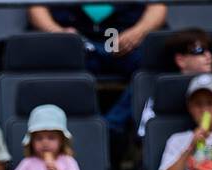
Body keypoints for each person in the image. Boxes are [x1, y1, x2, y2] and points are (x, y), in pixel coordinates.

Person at [28, 3, 167, 130]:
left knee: (157, 63)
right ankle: (79, 131)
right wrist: (58, 32)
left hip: (125, 36)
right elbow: (36, 6)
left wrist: (138, 32)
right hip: (75, 37)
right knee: (51, 62)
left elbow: (158, 6)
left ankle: (110, 128)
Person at [137, 27, 212, 139]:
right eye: (199, 50)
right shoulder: (162, 91)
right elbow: (144, 132)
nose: (209, 56)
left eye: (209, 50)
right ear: (180, 60)